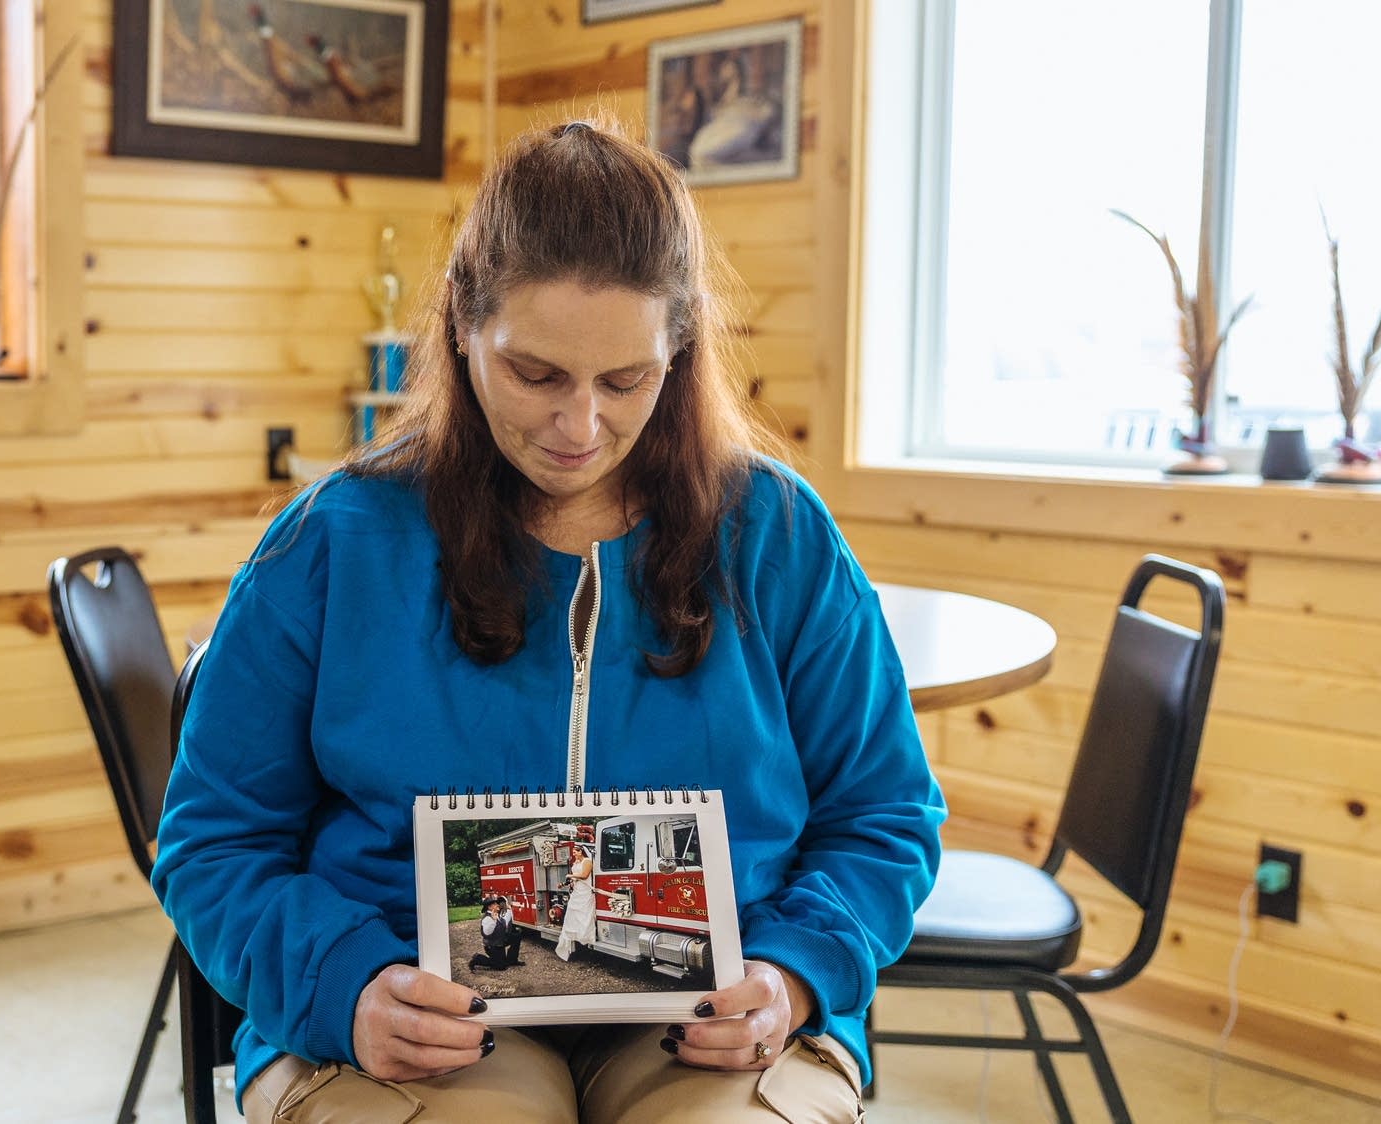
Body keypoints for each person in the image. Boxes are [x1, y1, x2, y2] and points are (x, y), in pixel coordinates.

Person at [152, 117, 943, 1123]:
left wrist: (792, 974)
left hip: (713, 1010)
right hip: (406, 1001)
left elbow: (883, 815)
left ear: (680, 345)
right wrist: (344, 985)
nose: (580, 427)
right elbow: (213, 841)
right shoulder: (331, 540)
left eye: (626, 380)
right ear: (460, 323)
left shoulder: (779, 534)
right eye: (535, 375)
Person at [554, 843, 597, 961]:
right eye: (573, 853)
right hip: (577, 891)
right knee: (572, 915)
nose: (574, 854)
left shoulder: (587, 861)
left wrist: (570, 875)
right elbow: (573, 880)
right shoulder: (576, 863)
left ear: (580, 852)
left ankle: (585, 936)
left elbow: (584, 875)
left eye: (575, 852)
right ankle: (575, 936)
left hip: (585, 891)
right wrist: (564, 884)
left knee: (584, 915)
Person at [469, 897, 524, 971]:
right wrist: (494, 921)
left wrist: (508, 909)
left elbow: (505, 924)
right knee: (500, 967)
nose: (498, 905)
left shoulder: (496, 914)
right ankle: (477, 958)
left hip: (500, 941)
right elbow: (487, 933)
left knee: (516, 936)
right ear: (489, 907)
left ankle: (512, 960)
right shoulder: (487, 918)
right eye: (495, 904)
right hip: (492, 946)